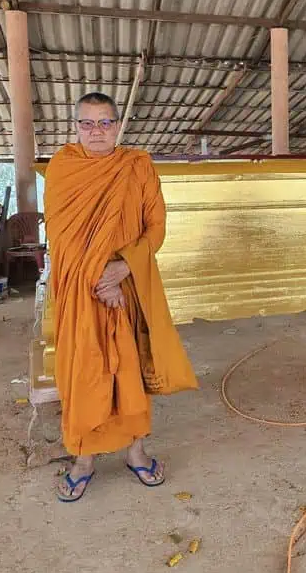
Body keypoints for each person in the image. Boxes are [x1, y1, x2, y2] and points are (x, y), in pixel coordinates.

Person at [44, 92, 198, 502]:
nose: (96, 131)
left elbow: (156, 226)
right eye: (87, 123)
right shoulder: (63, 167)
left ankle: (135, 451)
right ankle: (83, 460)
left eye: (105, 123)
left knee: (129, 370)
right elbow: (61, 236)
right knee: (85, 372)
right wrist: (101, 279)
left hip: (128, 287)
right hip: (83, 292)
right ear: (75, 127)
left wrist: (123, 269)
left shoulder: (138, 166)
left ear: (118, 126)